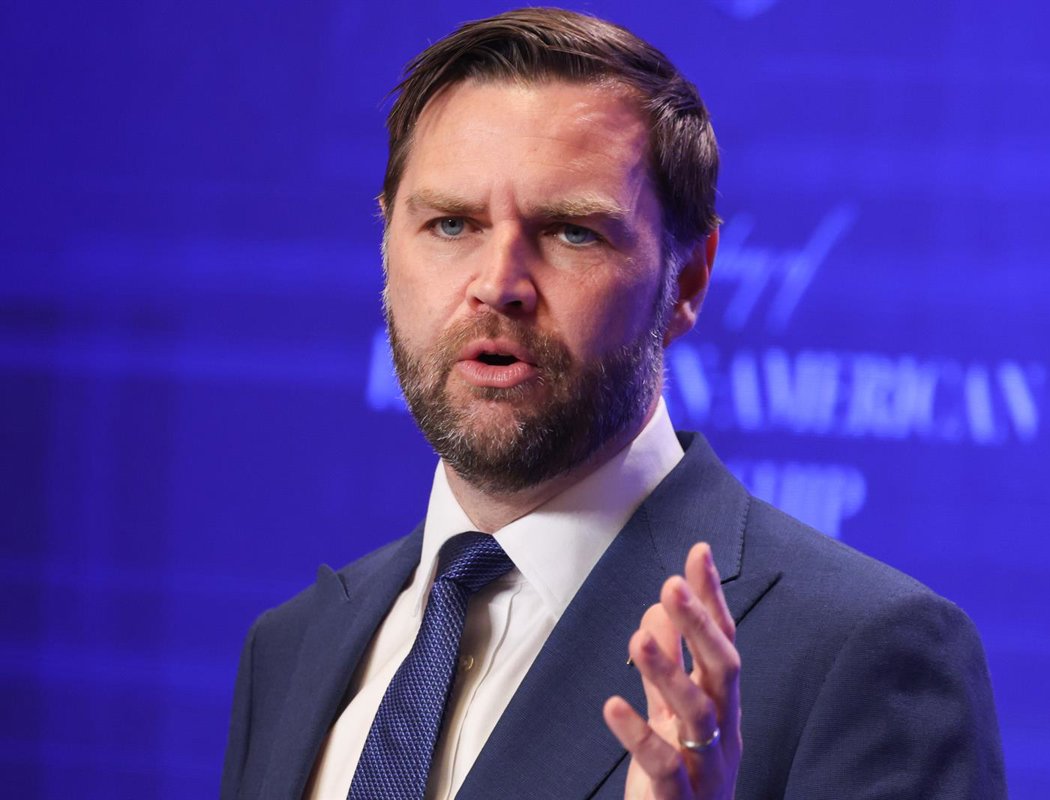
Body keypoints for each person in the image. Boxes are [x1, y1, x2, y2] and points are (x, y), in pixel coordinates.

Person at [220, 8, 1006, 799]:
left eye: (572, 233)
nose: (498, 284)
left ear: (687, 280)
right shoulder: (290, 650)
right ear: (387, 246)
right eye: (451, 224)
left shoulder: (864, 653)